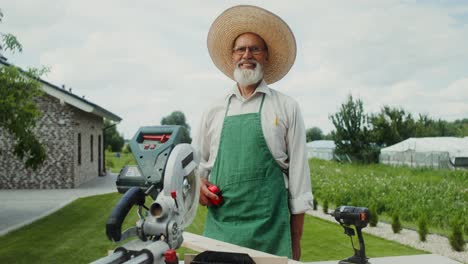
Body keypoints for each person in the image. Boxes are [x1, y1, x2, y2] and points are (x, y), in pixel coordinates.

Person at [194, 5, 313, 261]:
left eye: (255, 48)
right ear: (232, 56)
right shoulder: (214, 109)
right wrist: (199, 188)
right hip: (220, 236)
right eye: (240, 48)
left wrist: (295, 244)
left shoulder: (286, 107)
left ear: (266, 56)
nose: (247, 54)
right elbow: (197, 169)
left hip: (270, 237)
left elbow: (300, 181)